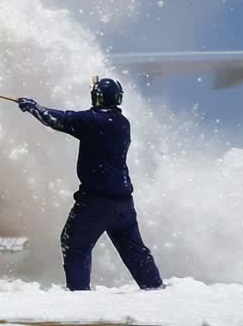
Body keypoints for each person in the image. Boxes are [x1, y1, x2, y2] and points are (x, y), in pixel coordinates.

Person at [17, 77, 163, 291]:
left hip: (95, 202)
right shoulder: (122, 123)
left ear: (96, 97)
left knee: (74, 245)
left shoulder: (92, 121)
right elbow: (69, 118)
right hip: (123, 204)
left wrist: (34, 108)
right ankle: (154, 288)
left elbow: (58, 119)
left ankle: (79, 295)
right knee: (134, 251)